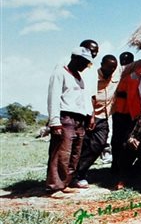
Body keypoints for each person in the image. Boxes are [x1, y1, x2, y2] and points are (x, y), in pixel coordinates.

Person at [46, 46, 93, 195]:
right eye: (84, 62)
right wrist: (54, 122)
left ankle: (68, 181)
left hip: (80, 118)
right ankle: (55, 186)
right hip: (65, 117)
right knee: (61, 153)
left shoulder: (79, 77)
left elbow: (84, 98)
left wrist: (89, 115)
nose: (86, 66)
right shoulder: (60, 72)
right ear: (75, 58)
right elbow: (53, 97)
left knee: (75, 153)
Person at [73, 55, 120, 188]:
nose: (111, 70)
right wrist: (90, 116)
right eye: (108, 66)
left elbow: (131, 66)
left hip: (104, 117)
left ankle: (79, 172)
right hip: (89, 116)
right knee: (83, 146)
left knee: (98, 145)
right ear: (101, 64)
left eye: (114, 67)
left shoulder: (116, 75)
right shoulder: (92, 77)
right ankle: (76, 175)